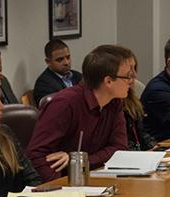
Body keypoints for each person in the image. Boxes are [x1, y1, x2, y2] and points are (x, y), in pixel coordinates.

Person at [26, 45, 129, 182]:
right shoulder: (65, 104)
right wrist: (58, 189)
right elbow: (36, 155)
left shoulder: (114, 102)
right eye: (127, 77)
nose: (132, 81)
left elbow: (119, 148)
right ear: (108, 81)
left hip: (96, 178)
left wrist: (79, 161)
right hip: (63, 184)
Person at [119, 48, 156, 151]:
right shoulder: (111, 105)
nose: (134, 75)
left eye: (135, 68)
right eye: (129, 70)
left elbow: (142, 134)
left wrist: (156, 148)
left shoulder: (132, 98)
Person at [33, 39, 83, 105]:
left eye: (68, 57)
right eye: (60, 59)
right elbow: (53, 110)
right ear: (48, 62)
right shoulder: (43, 84)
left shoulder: (78, 76)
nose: (66, 62)